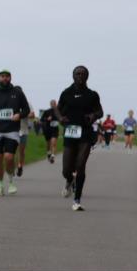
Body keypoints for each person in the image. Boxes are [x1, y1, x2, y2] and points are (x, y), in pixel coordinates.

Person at [57, 65, 103, 211]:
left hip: (85, 133)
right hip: (70, 133)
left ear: (87, 76)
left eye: (83, 74)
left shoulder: (92, 95)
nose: (80, 76)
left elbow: (100, 111)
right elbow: (58, 110)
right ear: (73, 76)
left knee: (80, 165)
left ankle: (77, 200)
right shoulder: (66, 93)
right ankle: (70, 180)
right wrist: (61, 118)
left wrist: (93, 115)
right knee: (66, 170)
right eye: (78, 73)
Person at [16, 90, 36, 176]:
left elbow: (32, 115)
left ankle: (20, 166)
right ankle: (11, 168)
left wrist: (22, 115)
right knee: (11, 151)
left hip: (23, 130)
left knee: (21, 151)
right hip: (11, 130)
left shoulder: (27, 103)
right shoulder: (9, 102)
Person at [40, 99, 60, 163]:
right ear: (50, 105)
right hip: (48, 129)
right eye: (52, 104)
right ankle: (48, 153)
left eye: (54, 104)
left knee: (53, 142)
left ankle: (52, 156)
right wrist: (47, 119)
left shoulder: (59, 112)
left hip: (55, 129)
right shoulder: (47, 111)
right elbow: (41, 119)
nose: (53, 105)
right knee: (48, 143)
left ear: (56, 104)